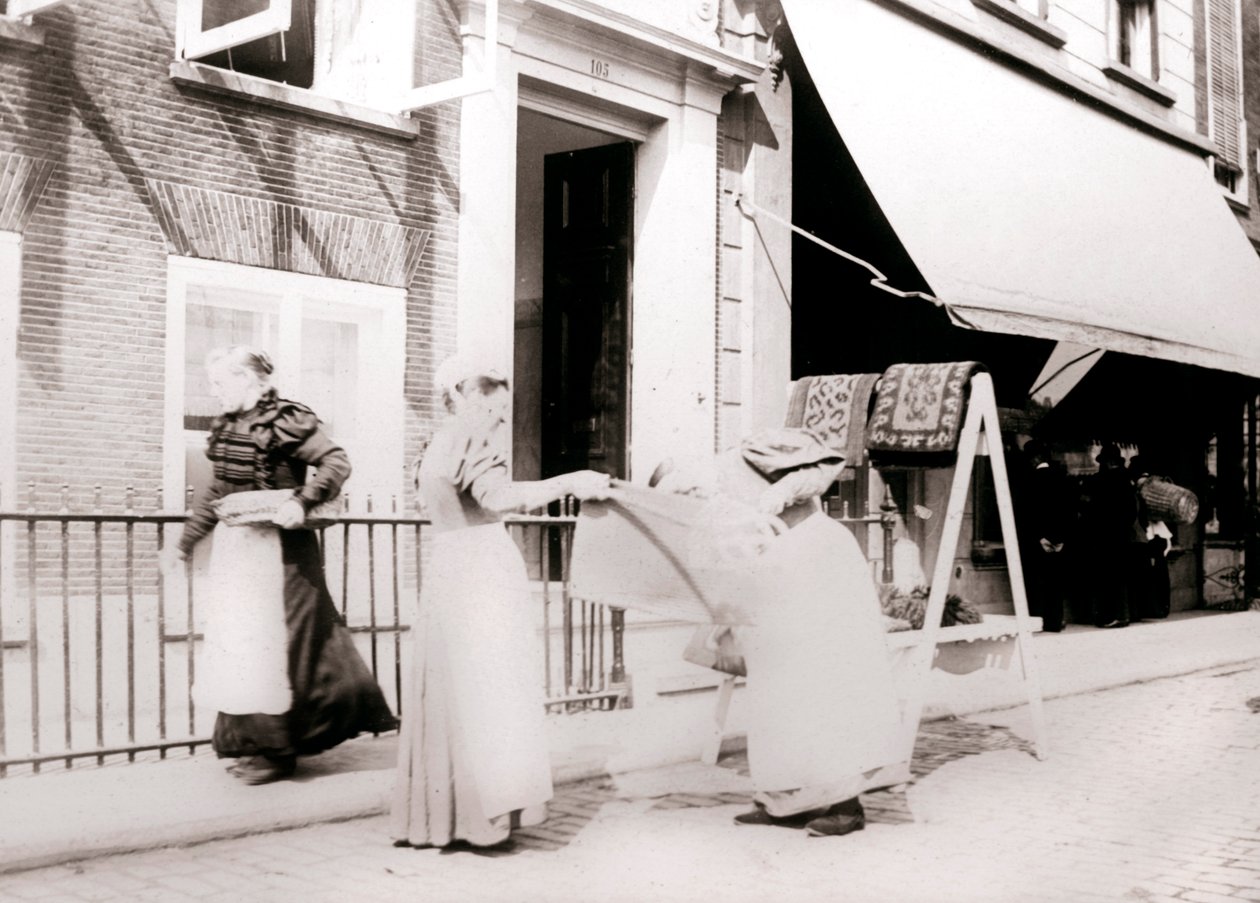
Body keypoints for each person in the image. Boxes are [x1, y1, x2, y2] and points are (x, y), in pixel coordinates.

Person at [391, 355, 610, 850]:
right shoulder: (469, 438)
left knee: (454, 690)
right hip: (483, 569)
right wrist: (570, 481)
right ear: (466, 396)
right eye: (493, 400)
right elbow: (498, 498)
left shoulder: (435, 444)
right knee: (492, 690)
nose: (501, 411)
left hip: (448, 566)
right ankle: (486, 820)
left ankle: (445, 818)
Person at [162, 345, 397, 785]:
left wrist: (301, 500)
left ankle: (281, 752)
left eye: (220, 383)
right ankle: (257, 744)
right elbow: (217, 494)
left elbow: (336, 461)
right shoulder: (230, 425)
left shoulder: (286, 419)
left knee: (283, 647)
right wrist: (182, 544)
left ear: (250, 381)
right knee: (243, 645)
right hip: (240, 551)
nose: (213, 392)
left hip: (285, 554)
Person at [652, 427, 903, 838]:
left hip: (817, 555)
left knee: (827, 680)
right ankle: (783, 801)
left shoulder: (750, 453)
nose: (692, 498)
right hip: (776, 566)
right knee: (777, 691)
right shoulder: (712, 505)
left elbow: (825, 466)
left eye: (687, 489)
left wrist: (777, 494)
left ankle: (845, 803)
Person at [1078, 443, 1139, 629]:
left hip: (1102, 536)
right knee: (1120, 576)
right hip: (1122, 535)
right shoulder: (1128, 481)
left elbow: (1087, 506)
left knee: (1104, 577)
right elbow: (1132, 511)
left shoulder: (1099, 481)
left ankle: (1107, 615)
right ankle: (1122, 615)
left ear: (1106, 462)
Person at [1014, 439, 1071, 633]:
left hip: (1037, 541)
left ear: (1035, 458)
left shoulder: (1028, 480)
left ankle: (1037, 620)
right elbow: (1069, 512)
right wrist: (1061, 539)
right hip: (1059, 542)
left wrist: (1040, 537)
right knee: (1055, 583)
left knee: (1035, 582)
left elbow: (1027, 513)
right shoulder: (1063, 478)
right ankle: (1055, 621)